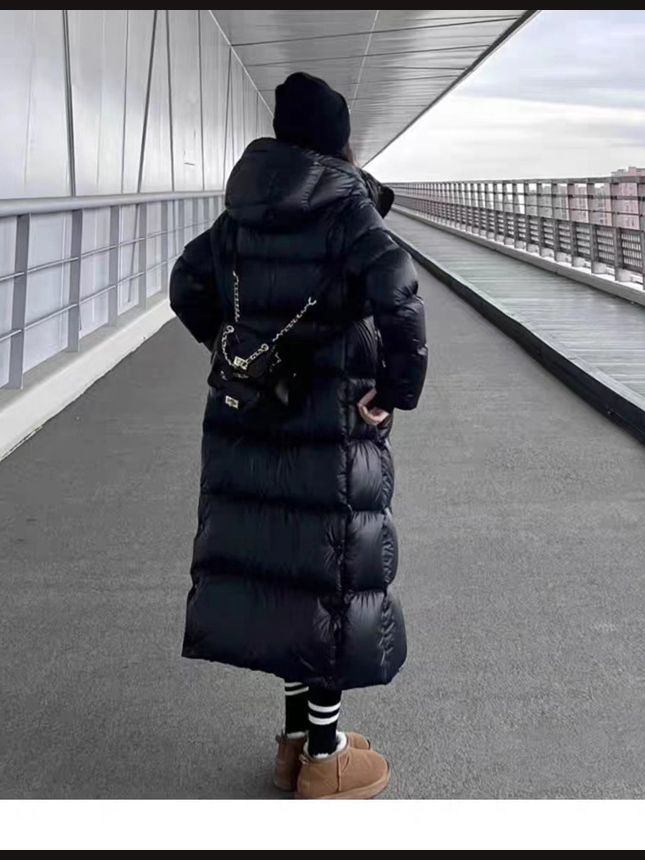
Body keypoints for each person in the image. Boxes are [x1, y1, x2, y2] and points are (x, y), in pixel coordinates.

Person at [169, 72, 427, 800]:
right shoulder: (345, 207)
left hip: (250, 414)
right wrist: (394, 391)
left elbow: (186, 283)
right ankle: (324, 754)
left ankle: (295, 742)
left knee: (284, 574)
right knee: (330, 577)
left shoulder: (242, 211)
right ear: (338, 141)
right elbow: (401, 294)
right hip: (327, 421)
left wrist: (233, 350)